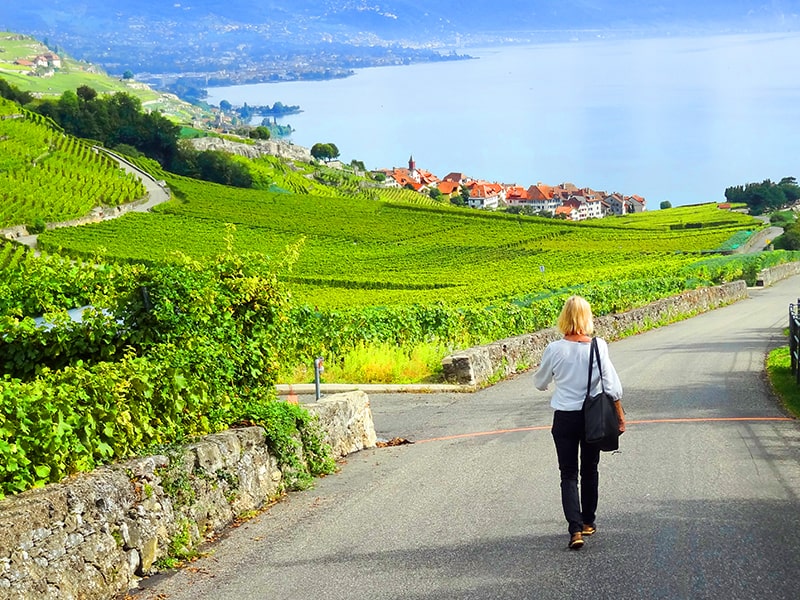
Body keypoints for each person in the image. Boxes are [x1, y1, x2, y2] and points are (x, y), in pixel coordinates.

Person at [533, 295, 625, 550]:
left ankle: (574, 530)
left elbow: (540, 383)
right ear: (587, 318)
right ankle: (588, 522)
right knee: (590, 469)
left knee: (568, 473)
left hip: (564, 417)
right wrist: (619, 414)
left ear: (564, 317)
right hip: (591, 416)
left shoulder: (554, 349)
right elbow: (612, 386)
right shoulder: (599, 347)